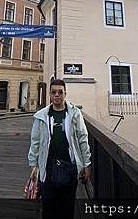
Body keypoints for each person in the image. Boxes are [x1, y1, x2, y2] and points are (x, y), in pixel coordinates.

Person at [28, 79, 91, 219]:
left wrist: (86, 164)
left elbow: (82, 138)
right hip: (48, 168)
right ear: (50, 95)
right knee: (49, 209)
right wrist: (33, 165)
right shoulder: (41, 116)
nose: (57, 95)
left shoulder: (74, 114)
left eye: (60, 92)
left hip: (69, 167)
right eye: (54, 92)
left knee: (67, 208)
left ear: (65, 94)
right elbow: (35, 142)